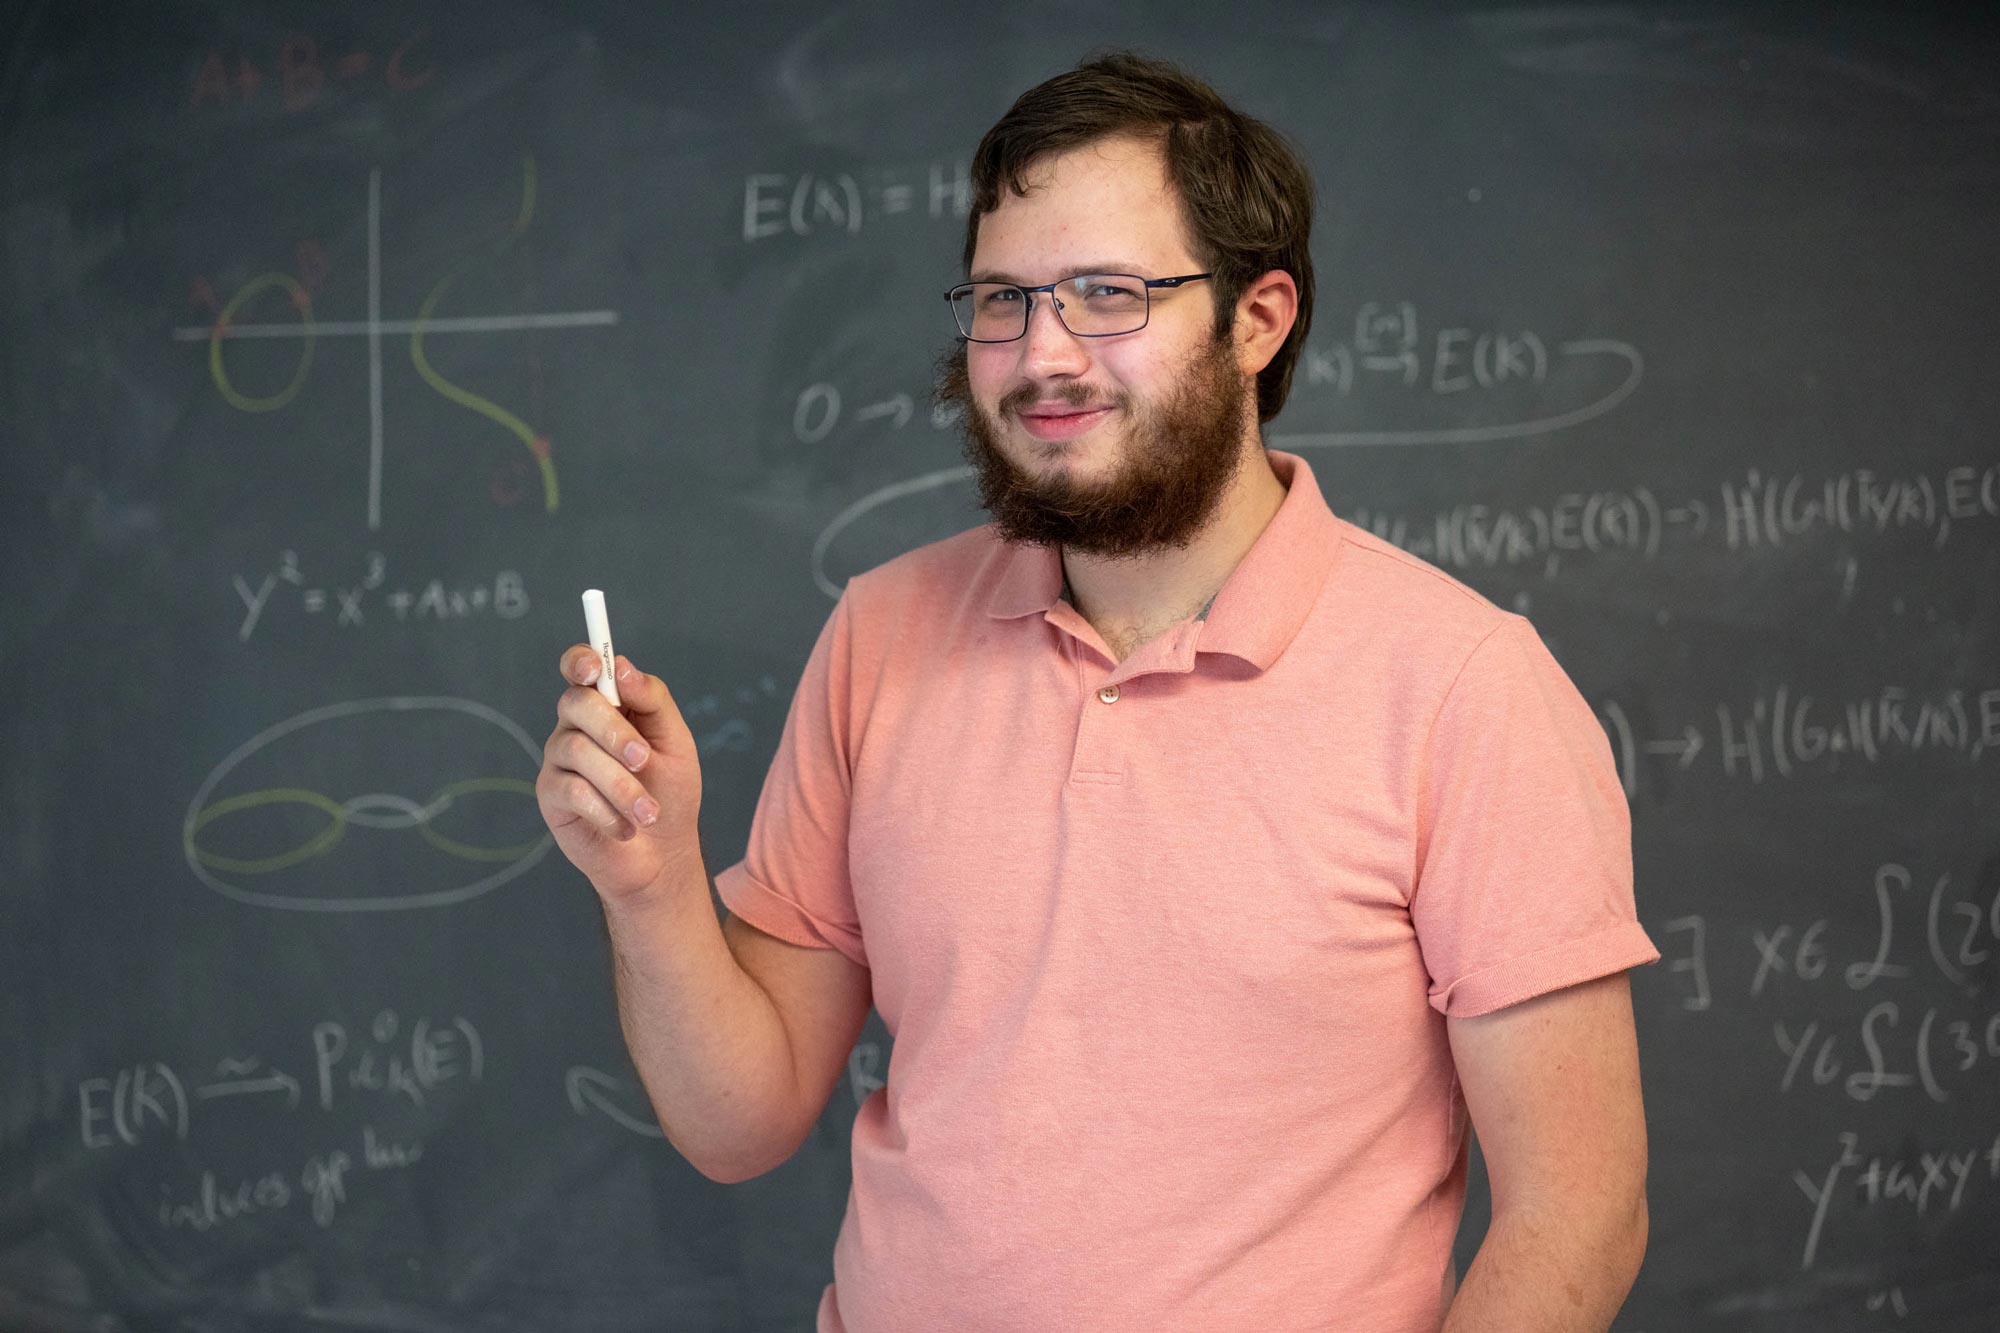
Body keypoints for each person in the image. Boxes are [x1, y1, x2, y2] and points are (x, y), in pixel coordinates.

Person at [537, 51, 1658, 1333]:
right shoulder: (881, 633)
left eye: (1107, 295)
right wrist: (650, 880)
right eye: (1002, 301)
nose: (1040, 355)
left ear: (1258, 319)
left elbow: (1576, 1208)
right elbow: (739, 1120)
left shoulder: (1462, 687)